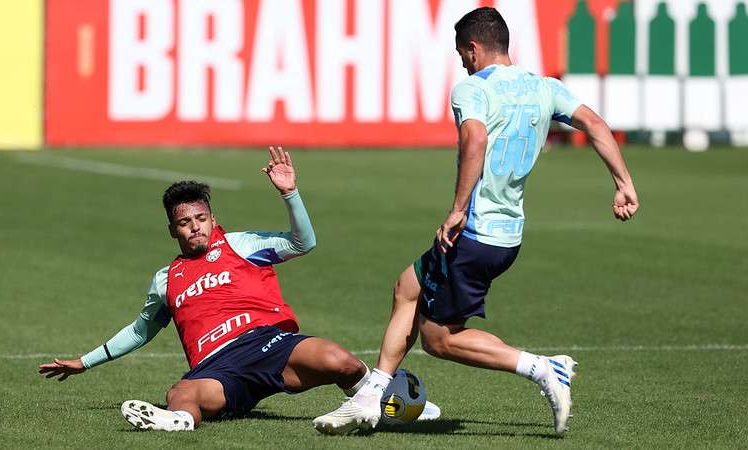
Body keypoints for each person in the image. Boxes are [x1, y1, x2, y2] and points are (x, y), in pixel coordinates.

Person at [314, 7, 639, 437]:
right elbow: (595, 124)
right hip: (508, 234)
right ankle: (371, 395)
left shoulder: (472, 89)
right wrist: (624, 183)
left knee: (440, 339)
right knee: (406, 288)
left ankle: (544, 368)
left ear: (473, 47)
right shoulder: (546, 88)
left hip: (475, 232)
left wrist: (458, 208)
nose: (463, 62)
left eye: (462, 54)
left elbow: (476, 137)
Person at [39, 147, 374, 431]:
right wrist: (85, 361)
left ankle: (378, 402)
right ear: (173, 230)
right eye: (185, 223)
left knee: (339, 360)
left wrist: (289, 193)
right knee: (181, 393)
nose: (194, 227)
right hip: (216, 369)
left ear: (212, 218)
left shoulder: (240, 244)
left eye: (200, 218)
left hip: (268, 345)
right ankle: (178, 421)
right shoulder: (166, 279)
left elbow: (305, 243)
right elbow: (141, 331)